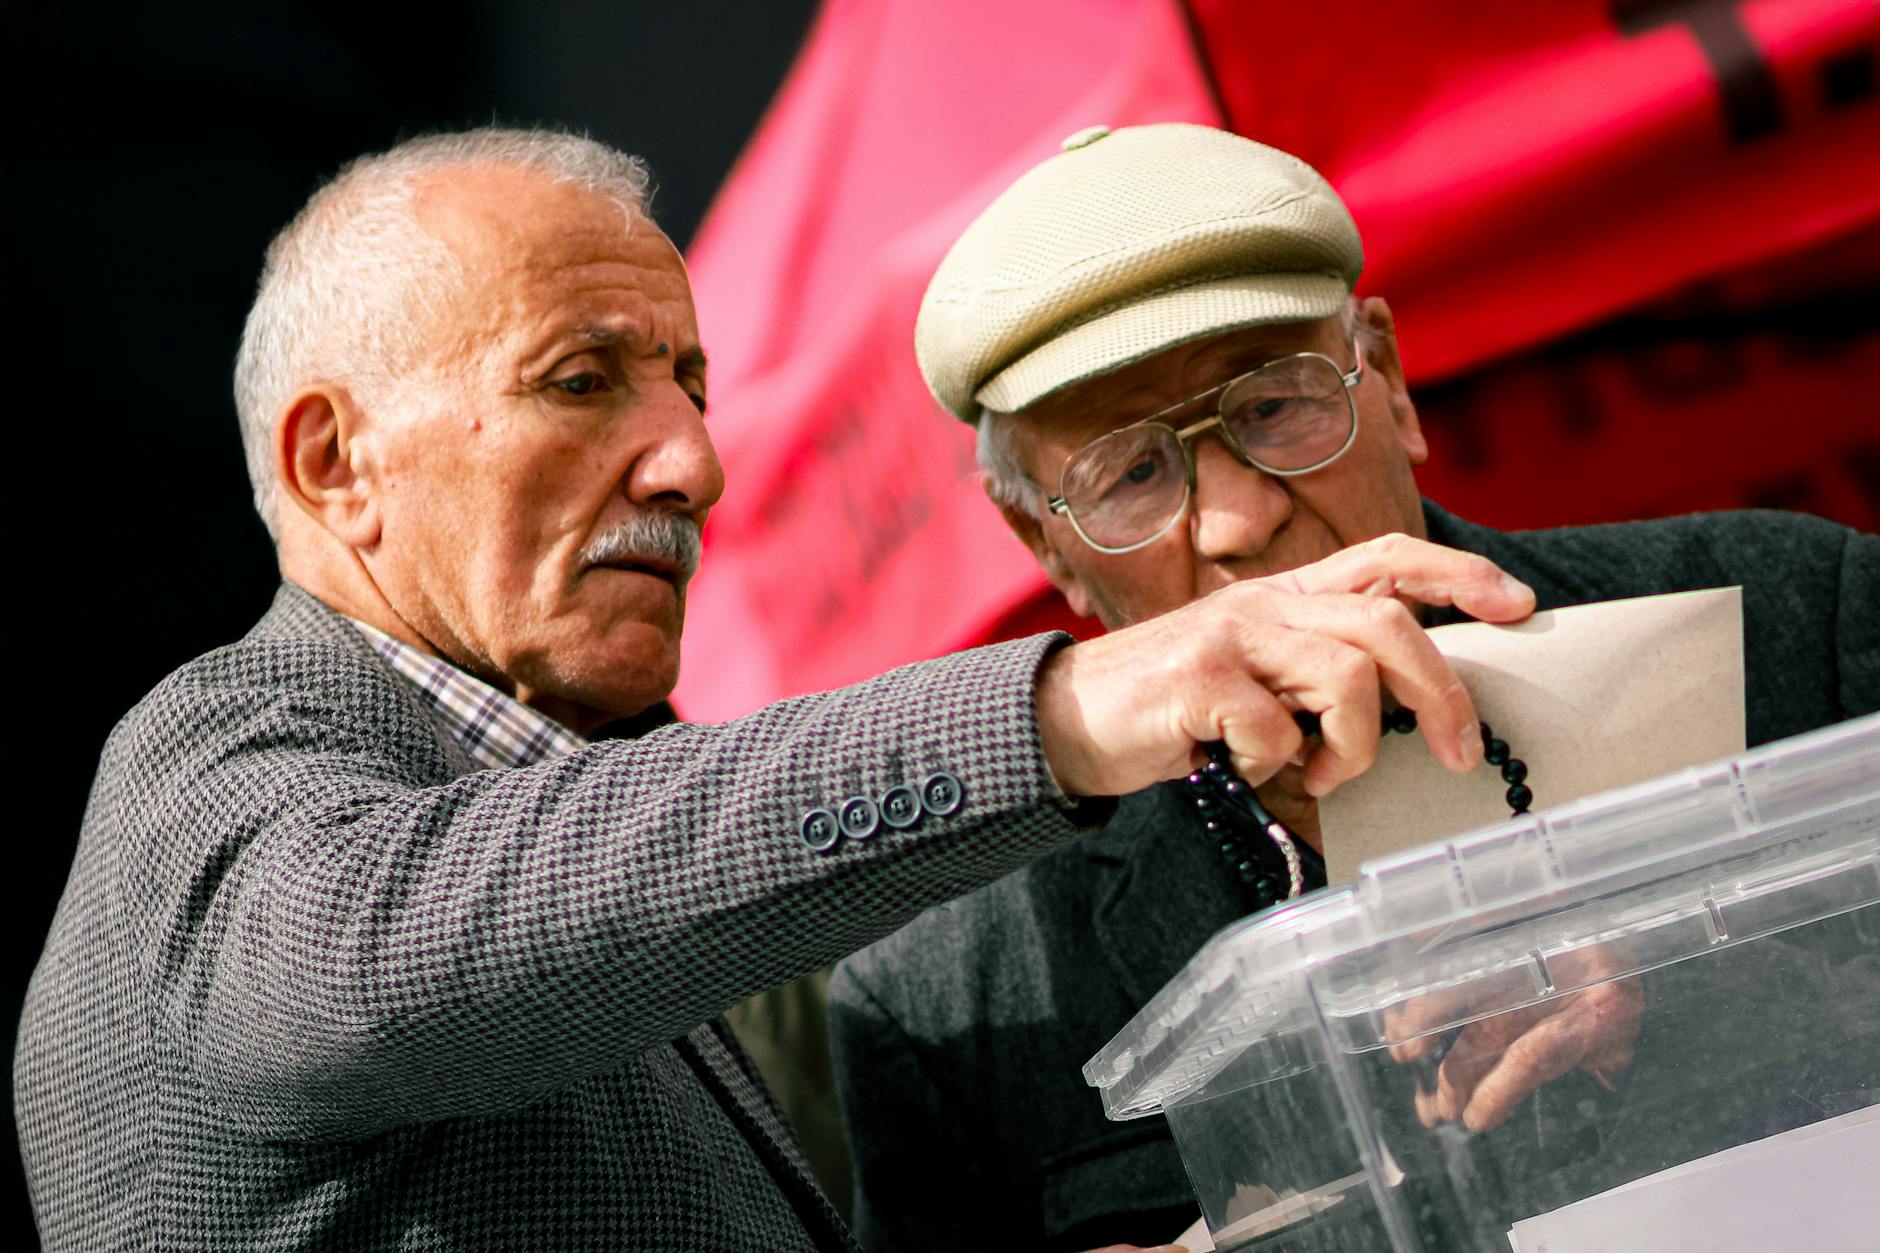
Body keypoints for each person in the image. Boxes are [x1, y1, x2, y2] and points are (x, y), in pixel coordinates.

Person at [11, 127, 1540, 1251]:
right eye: (583, 379)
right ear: (336, 463)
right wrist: (1073, 708)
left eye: (691, 383)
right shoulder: (211, 763)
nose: (695, 460)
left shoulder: (570, 834)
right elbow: (372, 968)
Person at [828, 123, 1880, 1252]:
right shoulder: (947, 997)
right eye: (1131, 473)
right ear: (1045, 545)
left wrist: (1688, 1000)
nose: (1237, 518)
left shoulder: (1787, 605)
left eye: (1273, 406)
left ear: (1385, 375)